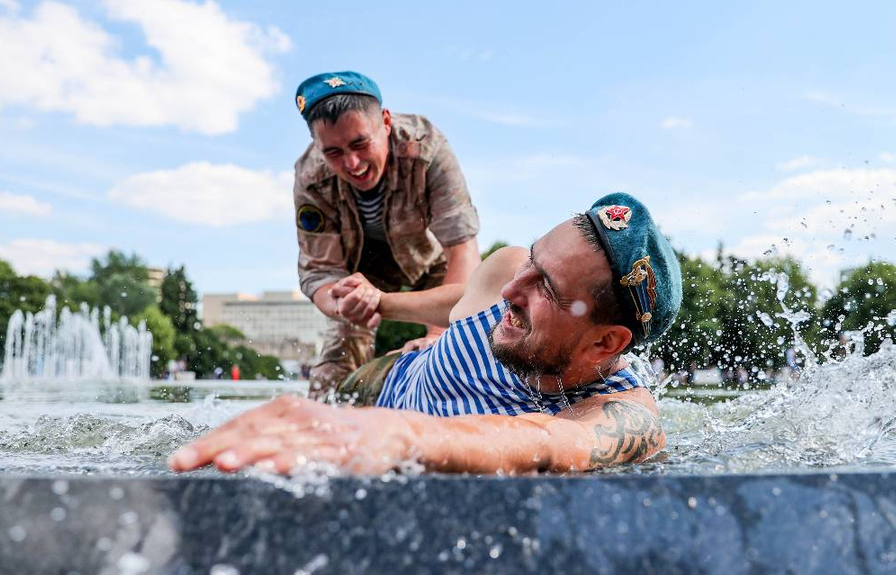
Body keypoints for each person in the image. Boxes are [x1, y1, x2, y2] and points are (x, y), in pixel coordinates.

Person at [169, 192, 682, 475]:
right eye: (532, 259)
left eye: (545, 286)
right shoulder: (507, 269)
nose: (511, 289)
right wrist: (384, 303)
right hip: (385, 376)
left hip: (385, 423)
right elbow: (460, 297)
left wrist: (400, 432)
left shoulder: (623, 413)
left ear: (605, 343)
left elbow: (550, 441)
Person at [292, 71, 481, 399]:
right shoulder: (310, 177)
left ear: (386, 121)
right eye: (333, 152)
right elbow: (321, 272)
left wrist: (437, 336)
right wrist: (345, 304)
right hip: (355, 279)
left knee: (464, 348)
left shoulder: (428, 148)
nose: (352, 163)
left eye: (360, 143)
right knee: (330, 379)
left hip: (433, 266)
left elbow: (463, 250)